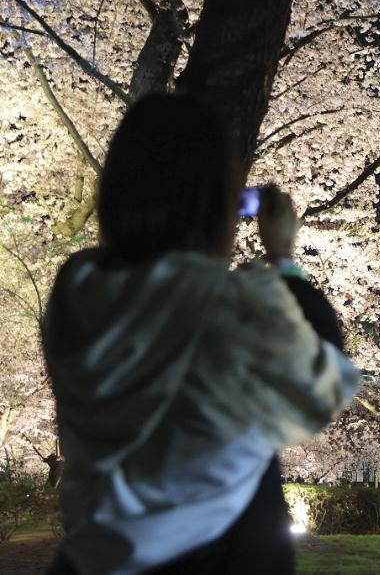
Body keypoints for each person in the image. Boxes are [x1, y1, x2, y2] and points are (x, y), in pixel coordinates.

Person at [42, 93, 361, 575]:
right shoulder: (235, 302)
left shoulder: (76, 288)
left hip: (92, 556)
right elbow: (322, 384)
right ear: (218, 205)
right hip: (218, 555)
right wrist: (282, 263)